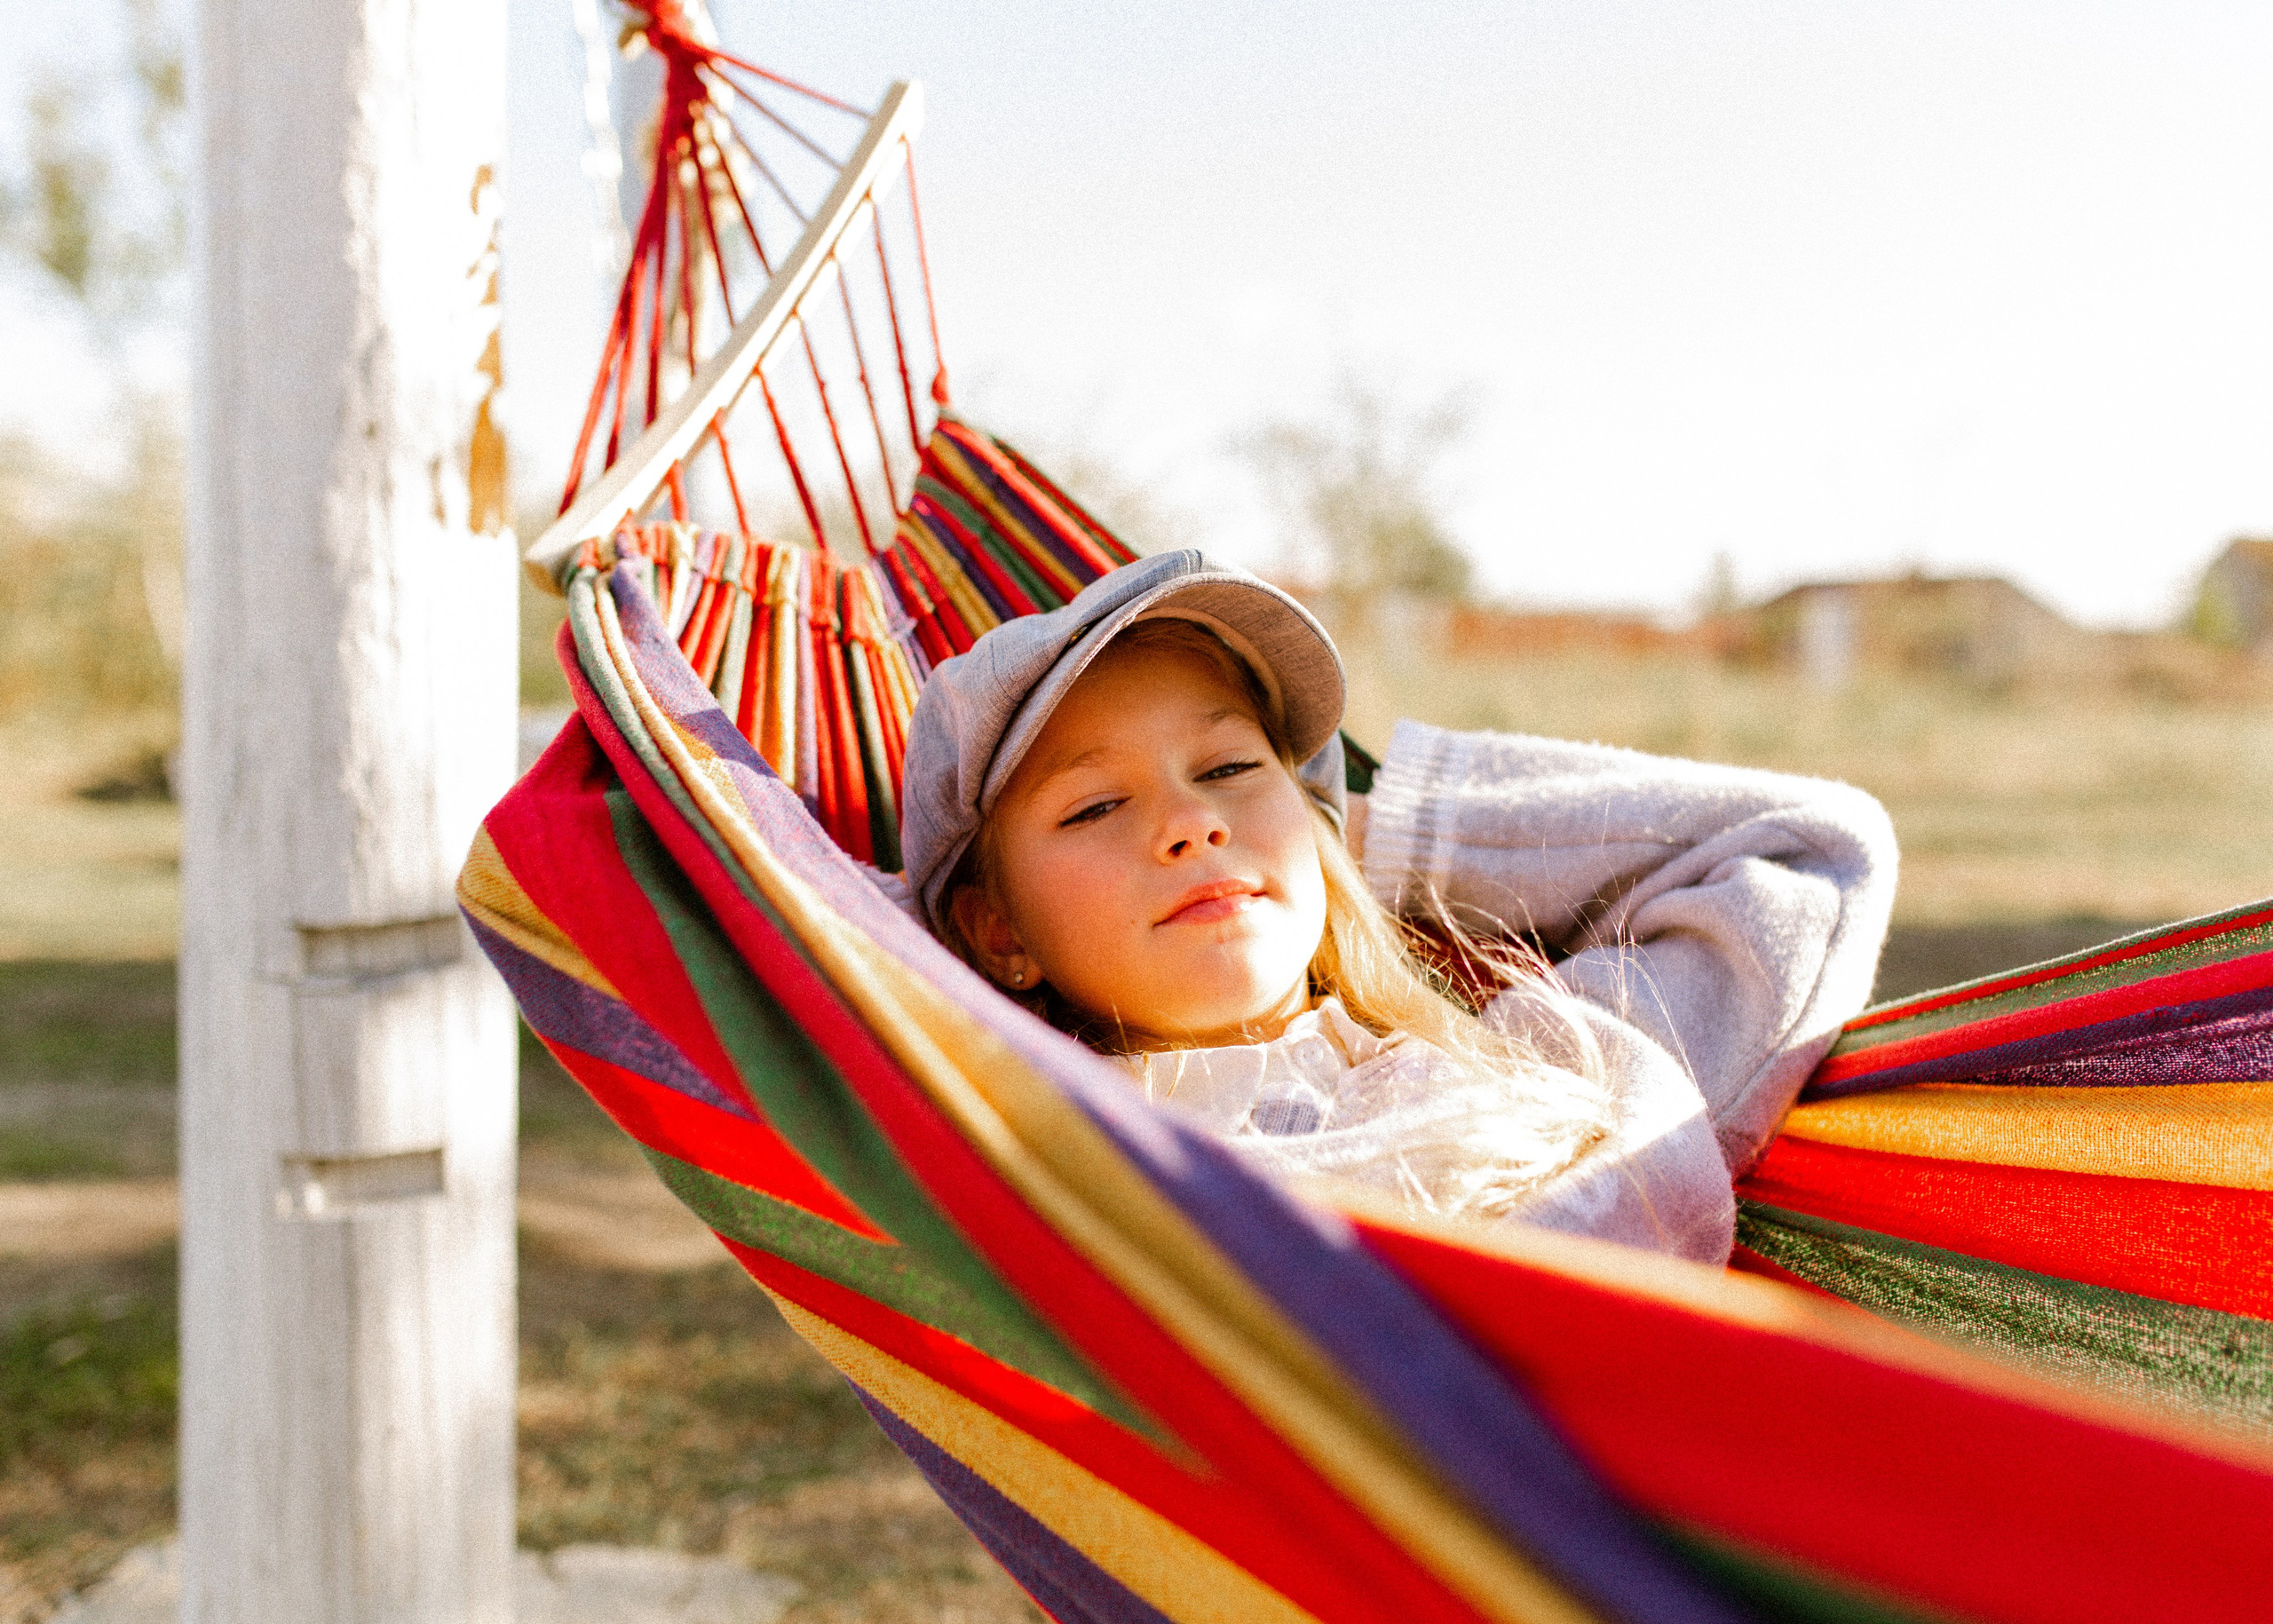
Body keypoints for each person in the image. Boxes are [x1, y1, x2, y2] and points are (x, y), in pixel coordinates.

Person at [896, 551, 1897, 1263]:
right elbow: (805, 932)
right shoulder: (1027, 1150)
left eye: (1233, 766)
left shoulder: (1541, 1064)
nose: (1195, 822)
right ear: (998, 930)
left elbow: (1806, 845)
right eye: (1097, 803)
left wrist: (1373, 829)